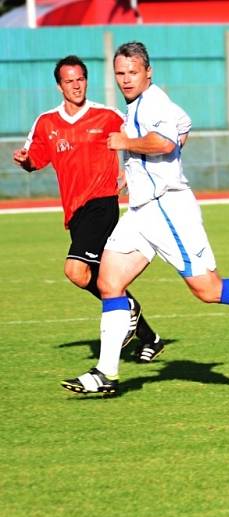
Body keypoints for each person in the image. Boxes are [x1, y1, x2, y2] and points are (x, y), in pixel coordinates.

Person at [60, 41, 229, 395]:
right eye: (120, 73)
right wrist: (134, 174)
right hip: (141, 211)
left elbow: (165, 142)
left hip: (167, 208)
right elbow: (183, 127)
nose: (125, 79)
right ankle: (106, 373)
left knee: (208, 289)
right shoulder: (140, 104)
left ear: (148, 72)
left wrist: (127, 145)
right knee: (109, 282)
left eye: (132, 72)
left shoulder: (154, 102)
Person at [12, 55, 164, 363]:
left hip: (102, 203)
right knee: (98, 277)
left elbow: (138, 139)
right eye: (69, 81)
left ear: (86, 80)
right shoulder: (47, 123)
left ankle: (129, 317)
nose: (76, 85)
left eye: (80, 79)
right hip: (75, 210)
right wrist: (25, 160)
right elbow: (35, 158)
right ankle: (149, 336)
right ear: (60, 86)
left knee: (75, 270)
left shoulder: (107, 115)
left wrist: (129, 174)